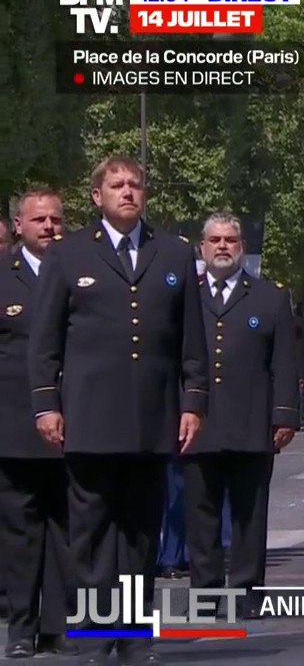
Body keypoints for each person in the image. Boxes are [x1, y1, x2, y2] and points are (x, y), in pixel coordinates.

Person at [29, 155, 208, 666]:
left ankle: (132, 635)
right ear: (97, 196)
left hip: (152, 416)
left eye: (135, 184)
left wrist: (193, 402)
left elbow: (191, 342)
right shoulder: (68, 254)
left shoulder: (173, 253)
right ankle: (93, 636)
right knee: (91, 533)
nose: (127, 192)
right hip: (89, 415)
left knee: (140, 532)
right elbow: (44, 342)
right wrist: (45, 405)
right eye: (117, 185)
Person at [183, 212, 298, 619]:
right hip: (199, 423)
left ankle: (248, 592)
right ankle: (206, 593)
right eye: (214, 240)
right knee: (201, 514)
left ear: (242, 247)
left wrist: (284, 415)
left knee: (250, 513)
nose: (222, 247)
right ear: (202, 246)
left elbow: (284, 362)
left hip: (252, 420)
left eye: (230, 240)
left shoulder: (269, 297)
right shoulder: (186, 296)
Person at [0, 189, 72, 658]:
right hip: (13, 423)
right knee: (20, 531)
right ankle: (21, 629)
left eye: (55, 219)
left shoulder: (78, 270)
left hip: (72, 420)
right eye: (39, 219)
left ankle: (57, 627)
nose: (48, 227)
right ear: (18, 226)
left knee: (66, 528)